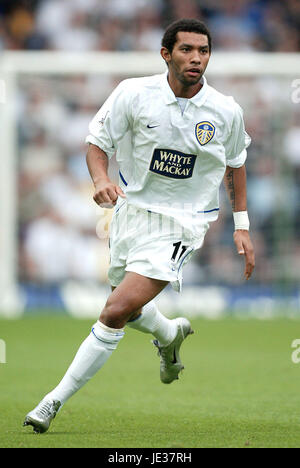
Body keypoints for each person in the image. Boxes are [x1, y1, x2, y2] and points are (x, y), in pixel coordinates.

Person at [23, 18, 255, 434]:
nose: (196, 59)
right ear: (166, 54)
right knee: (129, 310)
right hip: (131, 213)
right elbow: (97, 142)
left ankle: (51, 401)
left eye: (203, 51)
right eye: (187, 50)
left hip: (183, 223)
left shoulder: (225, 111)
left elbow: (236, 166)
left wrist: (242, 225)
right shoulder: (133, 93)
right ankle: (169, 335)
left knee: (114, 310)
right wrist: (100, 179)